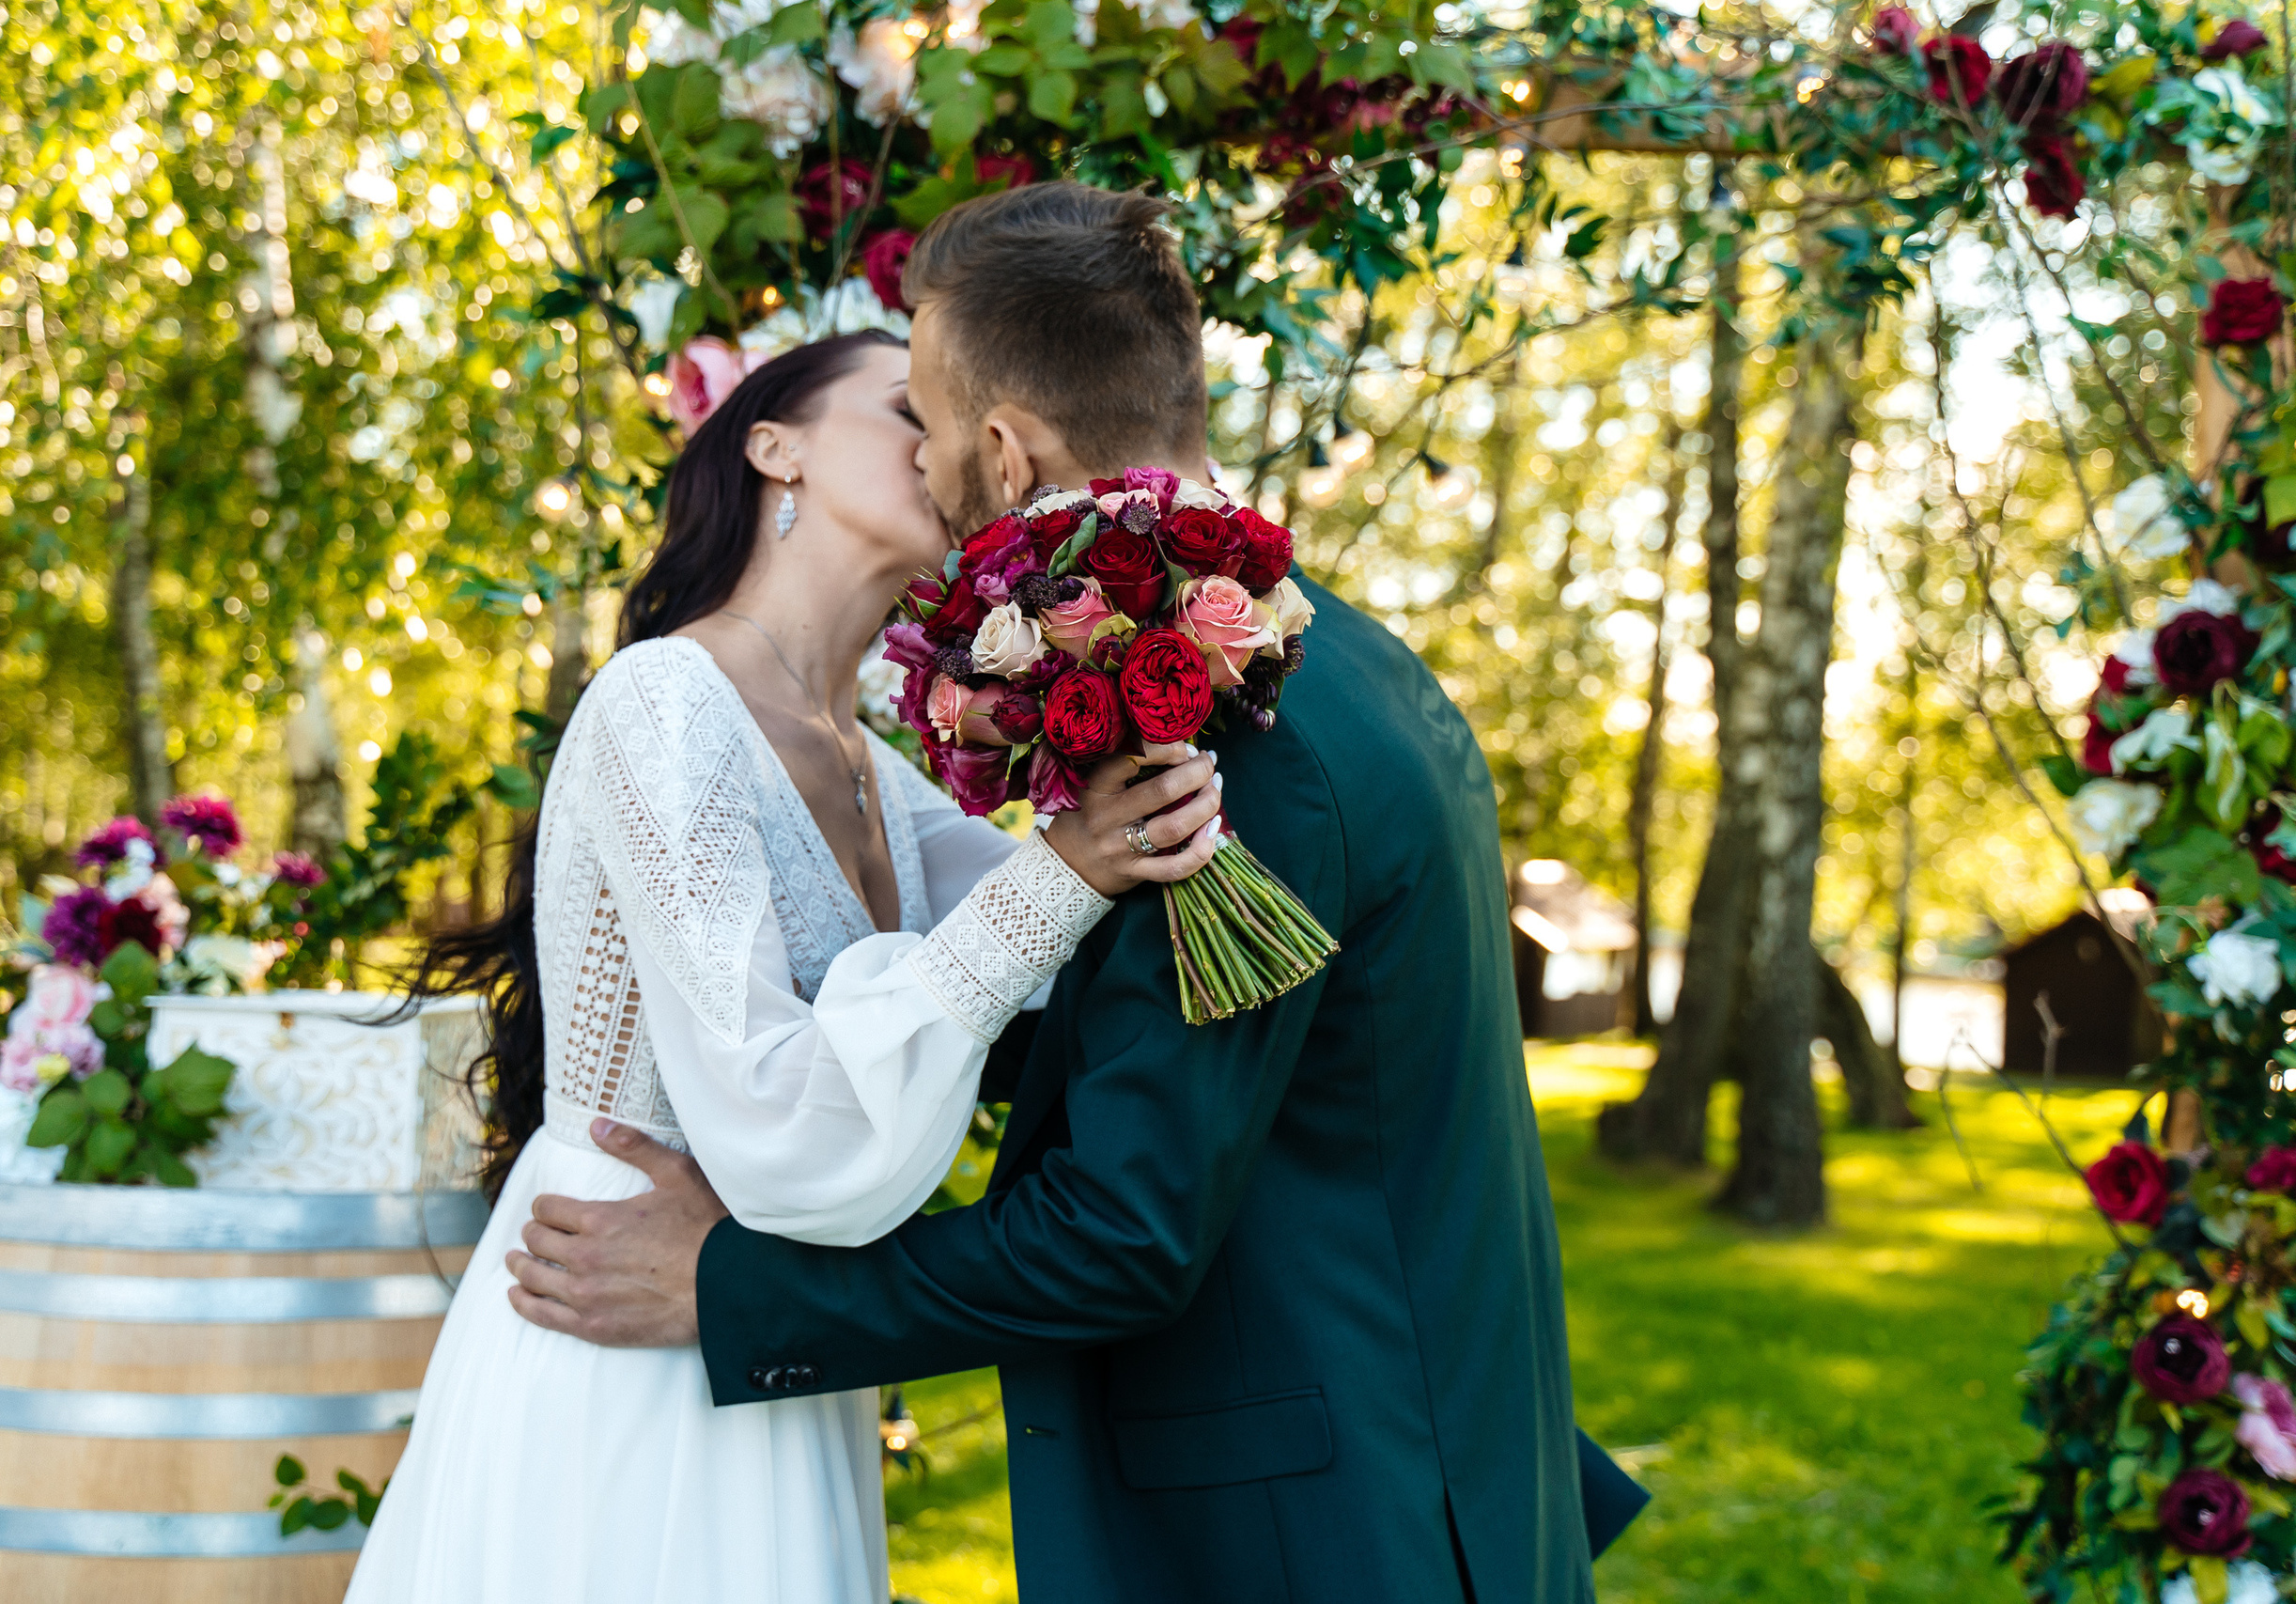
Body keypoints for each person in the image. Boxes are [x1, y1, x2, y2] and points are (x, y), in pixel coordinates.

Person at [512, 183, 1647, 1601]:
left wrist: (732, 1292)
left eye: (921, 415)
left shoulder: (1227, 740)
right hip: (1421, 1473)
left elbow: (1123, 1231)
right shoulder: (1357, 665)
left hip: (1327, 1534)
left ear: (1000, 444)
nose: (919, 457)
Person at [342, 330, 1224, 1604]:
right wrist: (1064, 872)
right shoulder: (664, 702)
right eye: (904, 408)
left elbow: (1045, 960)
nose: (944, 441)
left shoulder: (867, 757)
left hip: (750, 1313)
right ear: (774, 447)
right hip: (621, 1318)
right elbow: (774, 1102)